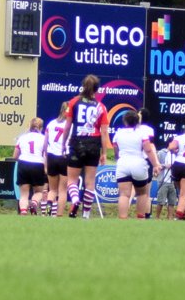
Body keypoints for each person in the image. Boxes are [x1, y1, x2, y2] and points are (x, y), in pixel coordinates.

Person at [61, 76, 111, 219]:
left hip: (77, 142)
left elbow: (67, 126)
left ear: (83, 85)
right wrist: (104, 153)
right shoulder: (101, 107)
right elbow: (104, 132)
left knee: (72, 180)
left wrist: (63, 143)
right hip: (94, 144)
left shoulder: (74, 102)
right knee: (90, 182)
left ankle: (75, 199)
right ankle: (86, 215)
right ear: (97, 89)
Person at [111, 109, 159, 220]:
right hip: (138, 163)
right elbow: (148, 150)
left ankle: (122, 218)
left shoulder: (118, 133)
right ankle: (140, 218)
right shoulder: (142, 133)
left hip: (123, 163)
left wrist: (118, 157)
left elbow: (116, 150)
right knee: (142, 193)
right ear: (138, 121)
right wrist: (155, 164)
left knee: (124, 194)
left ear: (125, 121)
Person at [13, 118, 48, 215]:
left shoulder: (22, 138)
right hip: (38, 164)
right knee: (38, 192)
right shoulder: (44, 138)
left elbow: (15, 156)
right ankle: (34, 203)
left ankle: (23, 211)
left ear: (29, 126)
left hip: (23, 164)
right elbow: (46, 154)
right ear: (41, 128)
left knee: (24, 194)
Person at [42, 111, 70, 217]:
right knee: (62, 190)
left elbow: (45, 143)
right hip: (64, 156)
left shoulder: (51, 123)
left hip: (51, 156)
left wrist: (46, 155)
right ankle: (59, 215)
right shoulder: (70, 124)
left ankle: (48, 209)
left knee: (52, 189)